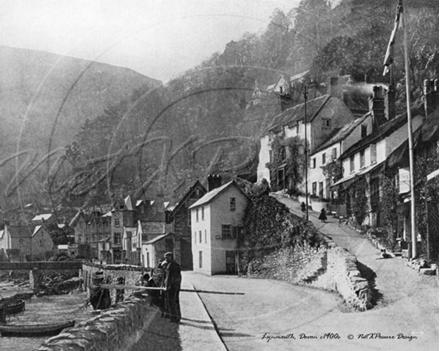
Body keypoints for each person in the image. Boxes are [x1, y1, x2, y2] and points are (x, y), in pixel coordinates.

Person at [163, 252, 182, 323]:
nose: (165, 259)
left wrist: (168, 286)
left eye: (166, 257)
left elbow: (172, 278)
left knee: (171, 302)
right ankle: (176, 316)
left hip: (172, 287)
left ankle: (174, 318)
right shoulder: (174, 264)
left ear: (170, 257)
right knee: (174, 301)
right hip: (173, 287)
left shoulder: (172, 265)